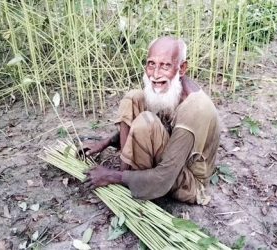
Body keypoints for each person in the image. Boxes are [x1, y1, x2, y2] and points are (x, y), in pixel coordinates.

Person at [81, 36, 220, 204]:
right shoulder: (175, 91)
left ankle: (127, 179)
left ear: (182, 68)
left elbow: (165, 177)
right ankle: (127, 169)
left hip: (188, 183)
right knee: (133, 98)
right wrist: (105, 142)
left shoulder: (194, 110)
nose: (155, 74)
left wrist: (112, 176)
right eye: (151, 64)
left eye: (165, 66)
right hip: (172, 159)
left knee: (145, 123)